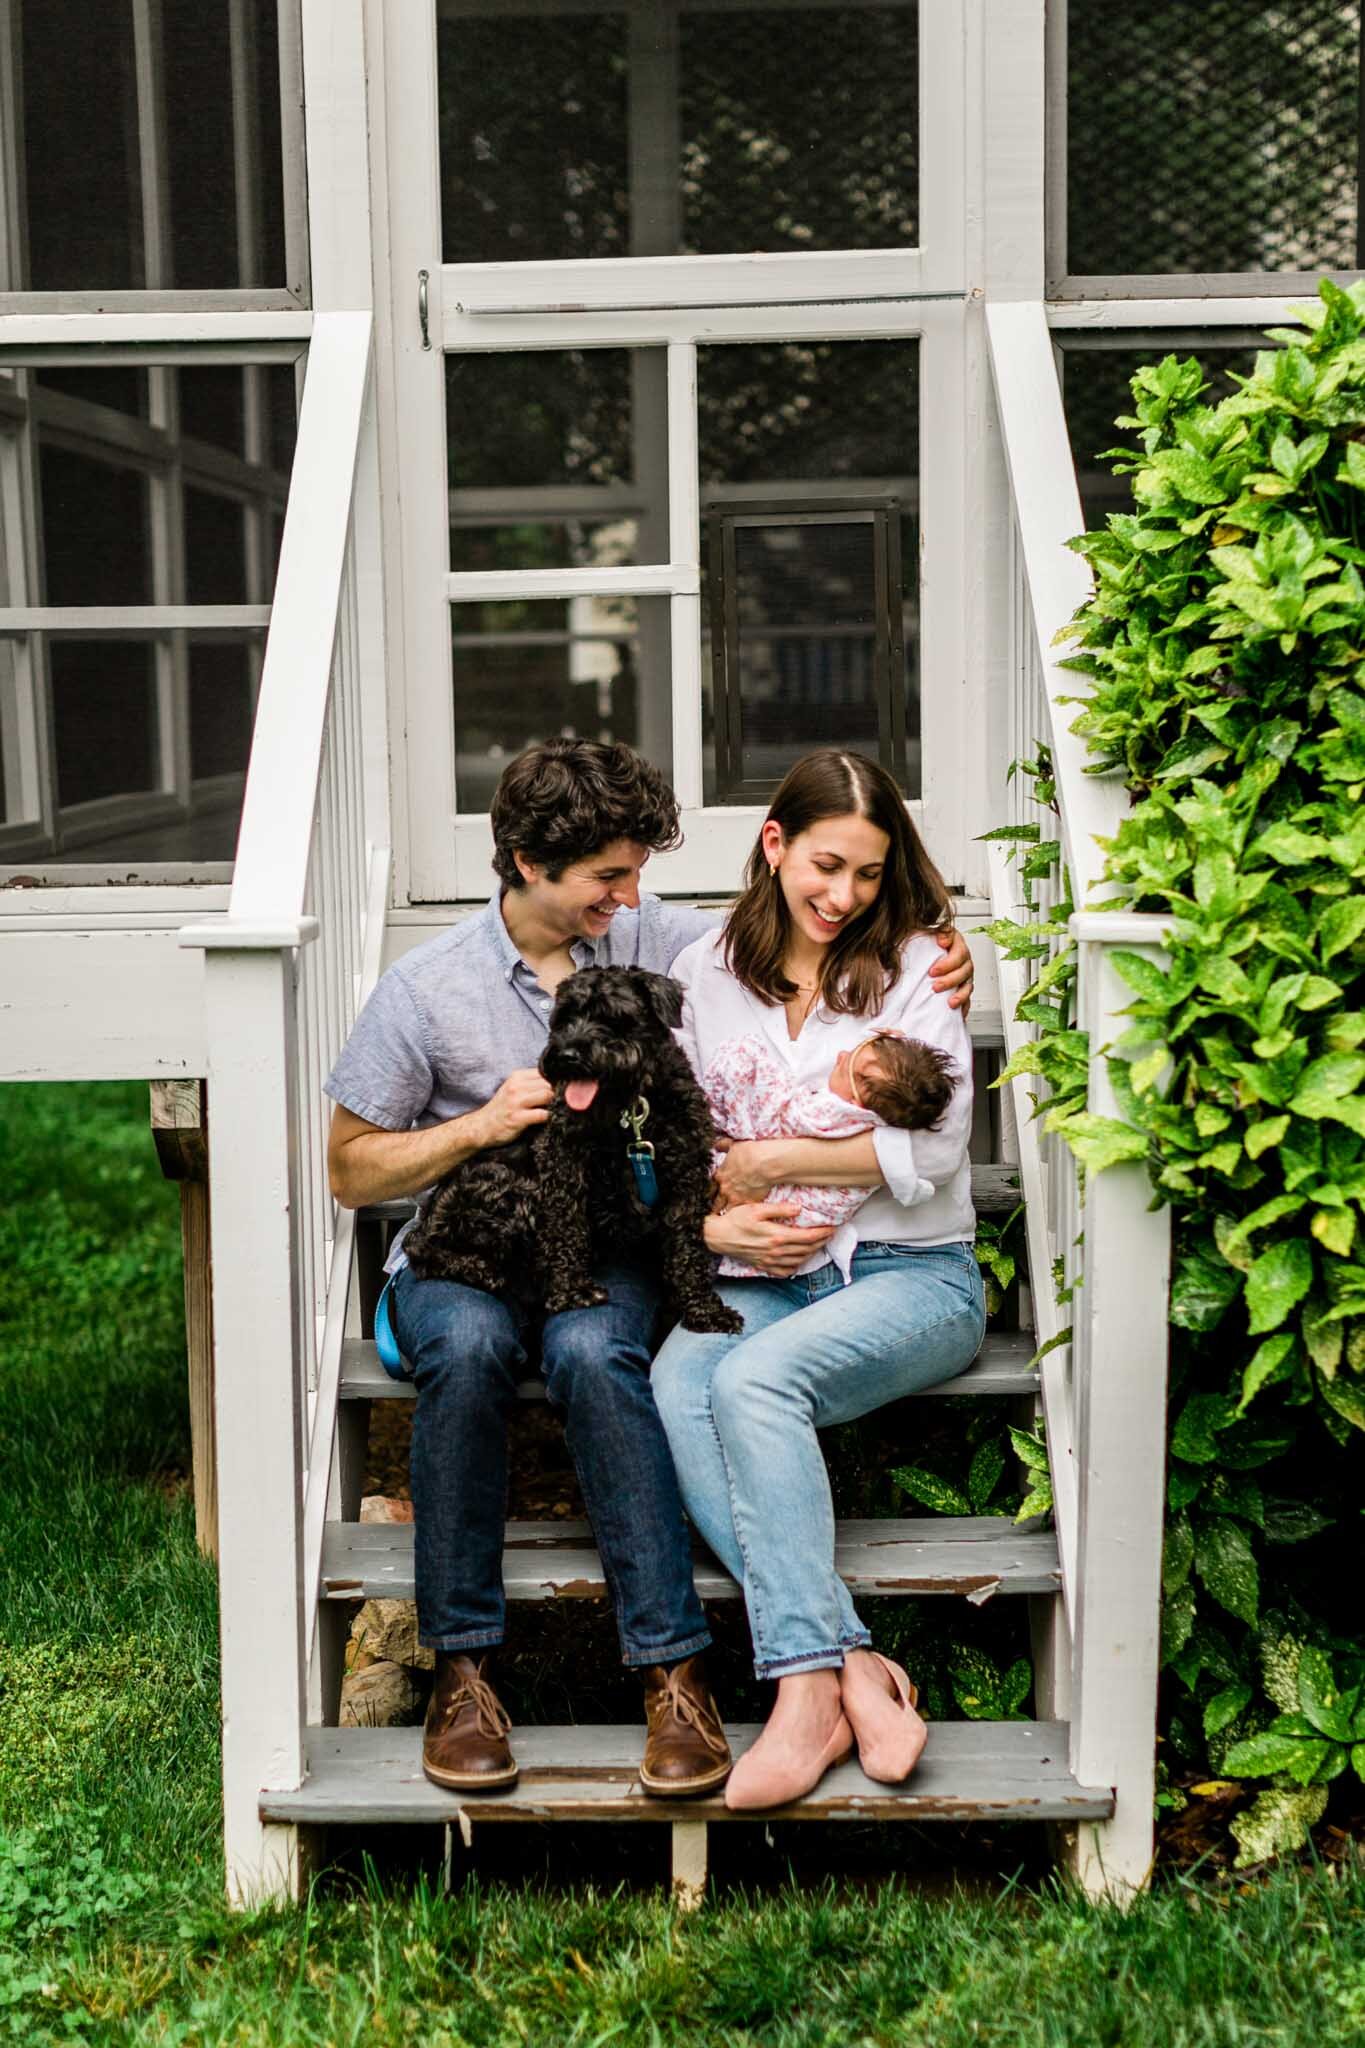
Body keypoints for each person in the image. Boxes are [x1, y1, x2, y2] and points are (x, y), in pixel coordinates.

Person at [325, 739, 974, 1797]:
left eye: (635, 874)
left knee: (601, 1351)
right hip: (476, 1250)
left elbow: (798, 929)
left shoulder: (653, 938)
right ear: (530, 862)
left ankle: (674, 1672)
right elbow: (349, 1165)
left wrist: (940, 946)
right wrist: (475, 1126)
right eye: (609, 877)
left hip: (603, 1246)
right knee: (472, 1345)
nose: (632, 897)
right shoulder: (424, 989)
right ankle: (463, 1668)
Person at [653, 749, 986, 1811]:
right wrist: (720, 1212)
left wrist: (781, 1161)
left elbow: (932, 1155)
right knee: (678, 1382)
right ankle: (850, 1661)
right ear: (774, 844)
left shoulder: (922, 965)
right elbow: (681, 1130)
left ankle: (799, 1694)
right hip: (762, 1268)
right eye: (826, 865)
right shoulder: (705, 966)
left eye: (870, 874)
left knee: (751, 1384)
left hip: (913, 1272)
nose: (844, 896)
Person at [702, 1028, 957, 1282]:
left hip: (776, 1224)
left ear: (857, 1104)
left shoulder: (833, 1116)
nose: (841, 1056)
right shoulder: (883, 1126)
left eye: (854, 1066)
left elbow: (777, 1118)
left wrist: (748, 1058)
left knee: (742, 1054)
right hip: (780, 1247)